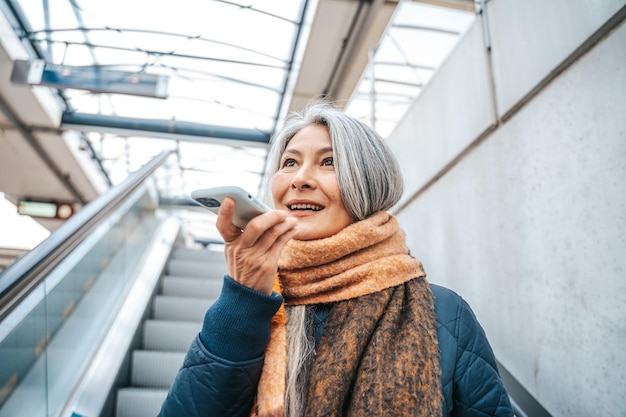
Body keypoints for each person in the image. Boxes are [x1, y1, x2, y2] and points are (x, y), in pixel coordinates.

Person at [157, 100, 513, 417]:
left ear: (368, 183)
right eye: (290, 162)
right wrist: (242, 296)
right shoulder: (253, 304)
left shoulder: (444, 314)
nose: (299, 179)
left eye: (328, 162)